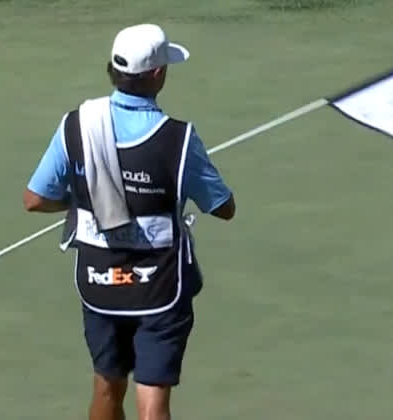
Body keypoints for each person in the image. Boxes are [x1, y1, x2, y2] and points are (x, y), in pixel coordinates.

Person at [22, 23, 237, 420]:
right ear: (157, 74)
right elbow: (223, 208)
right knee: (152, 397)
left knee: (107, 383)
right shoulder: (181, 138)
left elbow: (35, 199)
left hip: (101, 283)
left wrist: (82, 201)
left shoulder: (77, 124)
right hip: (160, 288)